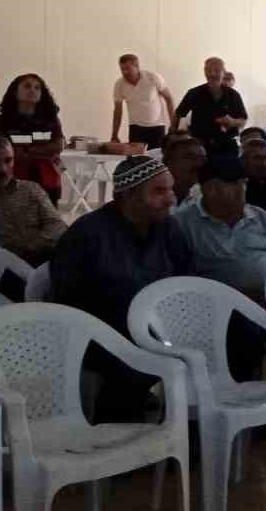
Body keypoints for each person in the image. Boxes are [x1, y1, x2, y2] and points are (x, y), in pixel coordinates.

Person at [51, 155, 193, 420]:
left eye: (171, 189)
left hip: (158, 329)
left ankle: (197, 429)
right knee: (138, 367)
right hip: (101, 335)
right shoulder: (87, 235)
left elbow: (185, 282)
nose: (171, 199)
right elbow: (69, 303)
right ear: (128, 196)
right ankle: (124, 437)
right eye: (159, 191)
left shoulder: (168, 228)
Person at [173, 156, 266, 302]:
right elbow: (179, 278)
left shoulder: (260, 216)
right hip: (216, 305)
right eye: (235, 184)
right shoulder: (183, 222)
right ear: (211, 190)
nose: (242, 189)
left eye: (244, 183)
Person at [0, 135, 67, 271]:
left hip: (45, 259)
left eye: (8, 161)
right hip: (0, 267)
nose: (3, 169)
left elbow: (57, 225)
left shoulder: (31, 189)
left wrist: (30, 246)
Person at [0, 73, 65, 203]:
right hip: (13, 182)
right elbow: (5, 152)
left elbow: (59, 145)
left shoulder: (52, 121)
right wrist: (43, 151)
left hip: (48, 181)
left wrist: (26, 151)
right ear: (15, 92)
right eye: (27, 86)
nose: (32, 90)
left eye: (37, 87)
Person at [172, 57, 248, 157]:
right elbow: (178, 114)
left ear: (224, 72)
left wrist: (233, 122)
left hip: (227, 147)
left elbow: (243, 120)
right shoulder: (194, 93)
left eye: (216, 70)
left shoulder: (233, 95)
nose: (212, 74)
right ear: (204, 72)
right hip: (200, 148)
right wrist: (173, 137)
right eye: (208, 70)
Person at [110, 54, 174, 151]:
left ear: (137, 67)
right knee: (136, 158)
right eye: (122, 69)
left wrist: (173, 125)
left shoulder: (153, 77)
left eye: (127, 68)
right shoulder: (119, 84)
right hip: (136, 128)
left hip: (157, 126)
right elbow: (118, 112)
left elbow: (169, 99)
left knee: (157, 158)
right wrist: (114, 135)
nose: (125, 72)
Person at [162, 134, 206, 202]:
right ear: (169, 162)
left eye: (202, 159)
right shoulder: (151, 194)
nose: (199, 164)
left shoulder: (206, 197)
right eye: (191, 157)